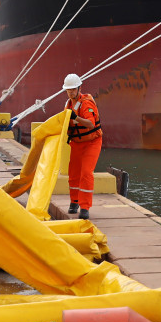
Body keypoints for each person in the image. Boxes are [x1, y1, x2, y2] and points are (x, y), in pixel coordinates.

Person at [62, 73, 102, 220]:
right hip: (77, 143)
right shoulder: (68, 104)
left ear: (79, 88)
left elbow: (90, 123)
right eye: (68, 89)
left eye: (73, 89)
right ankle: (74, 202)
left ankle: (85, 207)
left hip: (91, 143)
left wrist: (75, 117)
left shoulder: (86, 103)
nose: (70, 92)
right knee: (73, 174)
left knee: (86, 173)